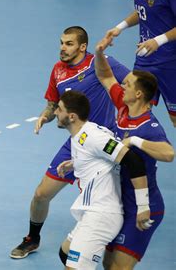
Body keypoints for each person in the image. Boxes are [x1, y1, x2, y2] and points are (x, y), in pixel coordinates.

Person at [9, 26, 130, 259]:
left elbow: (132, 84)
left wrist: (129, 116)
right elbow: (54, 104)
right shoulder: (58, 70)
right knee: (41, 194)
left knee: (117, 197)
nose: (63, 48)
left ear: (82, 46)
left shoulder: (101, 63)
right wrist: (46, 115)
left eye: (69, 44)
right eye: (62, 43)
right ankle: (32, 238)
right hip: (76, 143)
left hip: (105, 144)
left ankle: (116, 240)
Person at [94, 37, 174, 269]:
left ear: (138, 94)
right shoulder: (123, 105)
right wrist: (99, 52)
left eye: (127, 84)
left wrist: (136, 141)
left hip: (144, 207)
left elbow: (169, 154)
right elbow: (106, 76)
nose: (122, 86)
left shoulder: (149, 126)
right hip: (119, 202)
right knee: (109, 265)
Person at [54, 90, 152, 270]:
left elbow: (133, 161)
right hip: (90, 211)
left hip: (101, 214)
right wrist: (75, 163)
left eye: (59, 109)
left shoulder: (93, 137)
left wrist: (143, 206)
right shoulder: (82, 135)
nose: (55, 113)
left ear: (72, 116)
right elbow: (101, 157)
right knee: (65, 253)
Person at [104, 0, 176, 127]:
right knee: (134, 111)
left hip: (170, 63)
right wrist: (119, 27)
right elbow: (142, 10)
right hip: (145, 60)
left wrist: (157, 41)